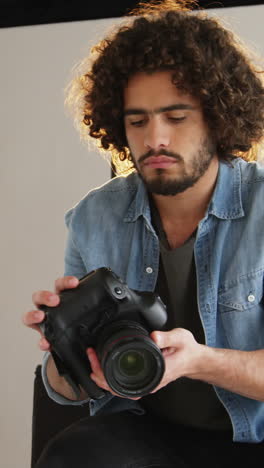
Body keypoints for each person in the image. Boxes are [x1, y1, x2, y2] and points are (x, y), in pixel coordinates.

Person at [23, 0, 264, 466]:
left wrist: (199, 360)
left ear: (218, 119)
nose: (155, 139)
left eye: (176, 118)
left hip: (254, 435)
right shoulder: (95, 217)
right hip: (148, 431)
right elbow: (66, 390)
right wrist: (61, 351)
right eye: (137, 121)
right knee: (73, 454)